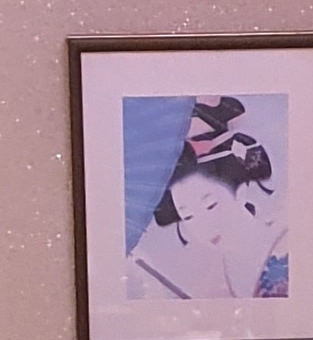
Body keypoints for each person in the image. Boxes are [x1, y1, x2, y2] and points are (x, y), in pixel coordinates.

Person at [123, 96, 290, 305]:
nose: (203, 225)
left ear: (241, 191)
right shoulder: (218, 271)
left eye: (211, 205)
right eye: (187, 216)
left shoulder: (286, 243)